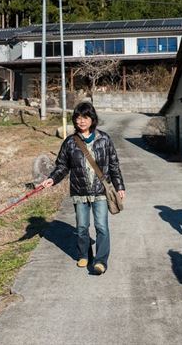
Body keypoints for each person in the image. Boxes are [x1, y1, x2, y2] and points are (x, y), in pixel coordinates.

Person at [40, 102, 125, 275]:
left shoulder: (104, 139)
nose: (81, 121)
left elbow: (114, 165)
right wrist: (52, 179)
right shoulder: (70, 142)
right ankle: (84, 254)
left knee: (101, 227)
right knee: (81, 227)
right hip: (79, 191)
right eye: (78, 118)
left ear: (92, 119)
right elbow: (62, 166)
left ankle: (101, 261)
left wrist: (119, 186)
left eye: (85, 117)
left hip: (100, 191)